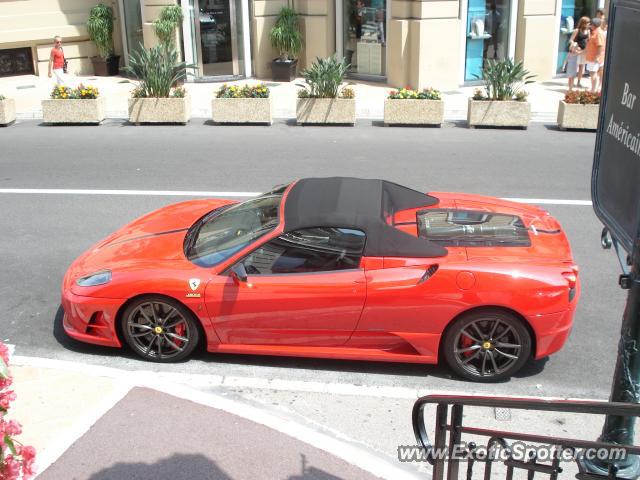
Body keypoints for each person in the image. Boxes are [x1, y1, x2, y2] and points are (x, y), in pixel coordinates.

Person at [584, 17, 606, 92]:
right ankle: (595, 88)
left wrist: (596, 57)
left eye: (591, 24)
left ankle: (593, 90)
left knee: (593, 74)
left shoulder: (598, 33)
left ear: (594, 25)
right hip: (593, 57)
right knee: (594, 73)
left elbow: (600, 46)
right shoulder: (595, 31)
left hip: (594, 58)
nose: (590, 25)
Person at [572, 17, 590, 88]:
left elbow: (589, 40)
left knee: (581, 67)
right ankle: (572, 81)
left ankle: (579, 82)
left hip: (584, 51)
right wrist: (576, 46)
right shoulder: (577, 30)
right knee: (575, 66)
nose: (589, 24)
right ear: (583, 23)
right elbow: (571, 40)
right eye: (588, 23)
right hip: (577, 51)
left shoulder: (588, 31)